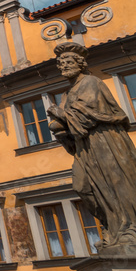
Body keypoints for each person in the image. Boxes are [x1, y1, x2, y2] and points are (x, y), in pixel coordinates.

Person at [47, 41, 136, 254]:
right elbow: (73, 123)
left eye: (68, 61)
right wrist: (62, 130)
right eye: (60, 63)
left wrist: (62, 116)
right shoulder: (66, 95)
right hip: (84, 147)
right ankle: (112, 226)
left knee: (116, 183)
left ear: (80, 63)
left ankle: (128, 229)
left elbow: (90, 115)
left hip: (105, 141)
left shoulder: (91, 82)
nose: (63, 66)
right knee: (83, 187)